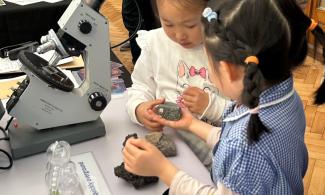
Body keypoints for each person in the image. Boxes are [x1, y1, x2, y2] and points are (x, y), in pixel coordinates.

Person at [122, 0, 325, 194]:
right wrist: (192, 124)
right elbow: (233, 136)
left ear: (227, 70)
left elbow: (238, 148)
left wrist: (163, 170)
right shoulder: (286, 97)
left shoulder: (243, 149)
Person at [125, 0, 228, 169]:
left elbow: (247, 115)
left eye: (190, 25)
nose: (179, 35)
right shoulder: (156, 43)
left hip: (213, 157)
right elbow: (140, 86)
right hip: (165, 152)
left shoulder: (225, 51)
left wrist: (210, 105)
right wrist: (139, 109)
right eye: (168, 24)